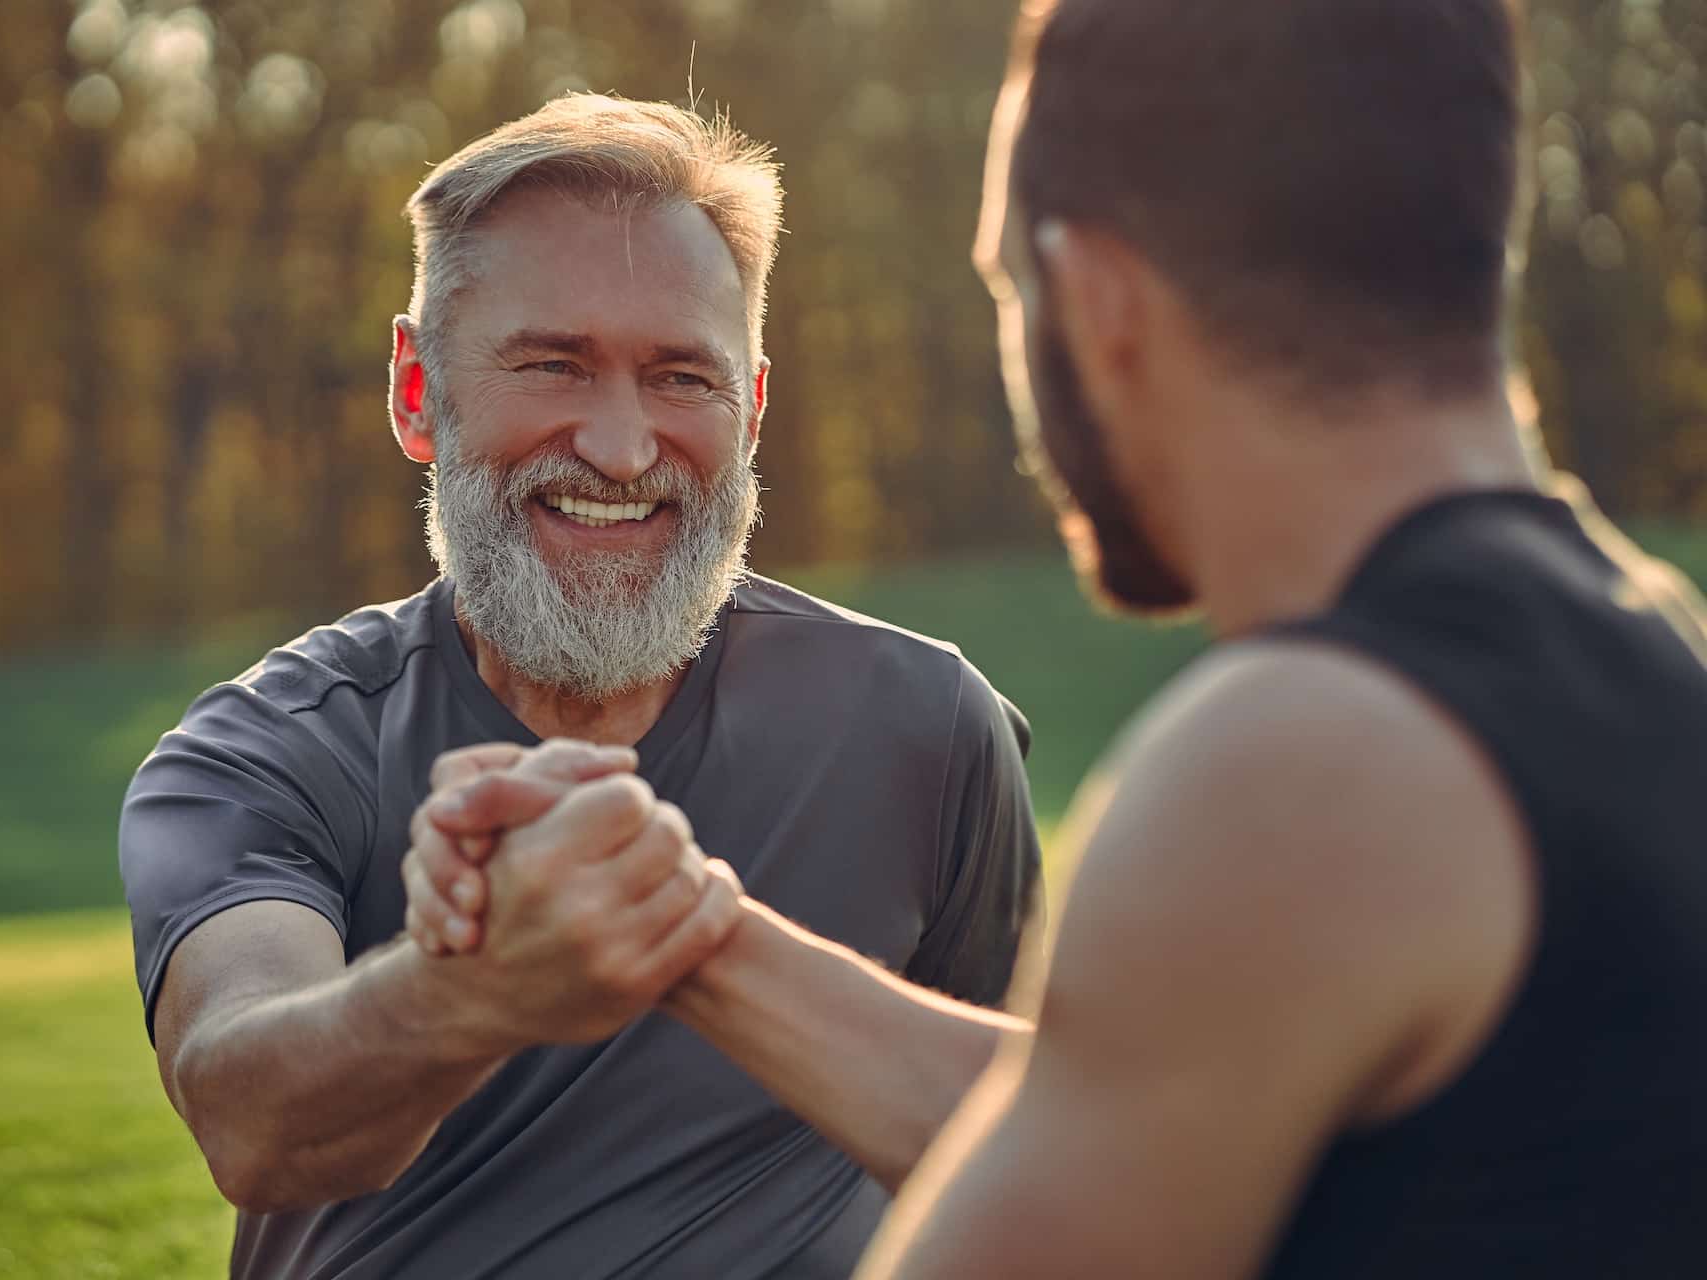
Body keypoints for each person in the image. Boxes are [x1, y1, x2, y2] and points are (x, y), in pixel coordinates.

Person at [845, 0, 1707, 1274]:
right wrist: (698, 935)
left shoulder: (1293, 767)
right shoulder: (1655, 654)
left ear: (1095, 300)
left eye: (1007, 287)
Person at [118, 93, 1041, 1279]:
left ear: (751, 404)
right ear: (416, 391)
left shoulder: (926, 723)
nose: (617, 445)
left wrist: (663, 923)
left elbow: (1043, 1140)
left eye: (679, 378)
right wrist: (471, 991)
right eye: (552, 364)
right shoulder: (271, 748)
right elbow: (245, 1110)